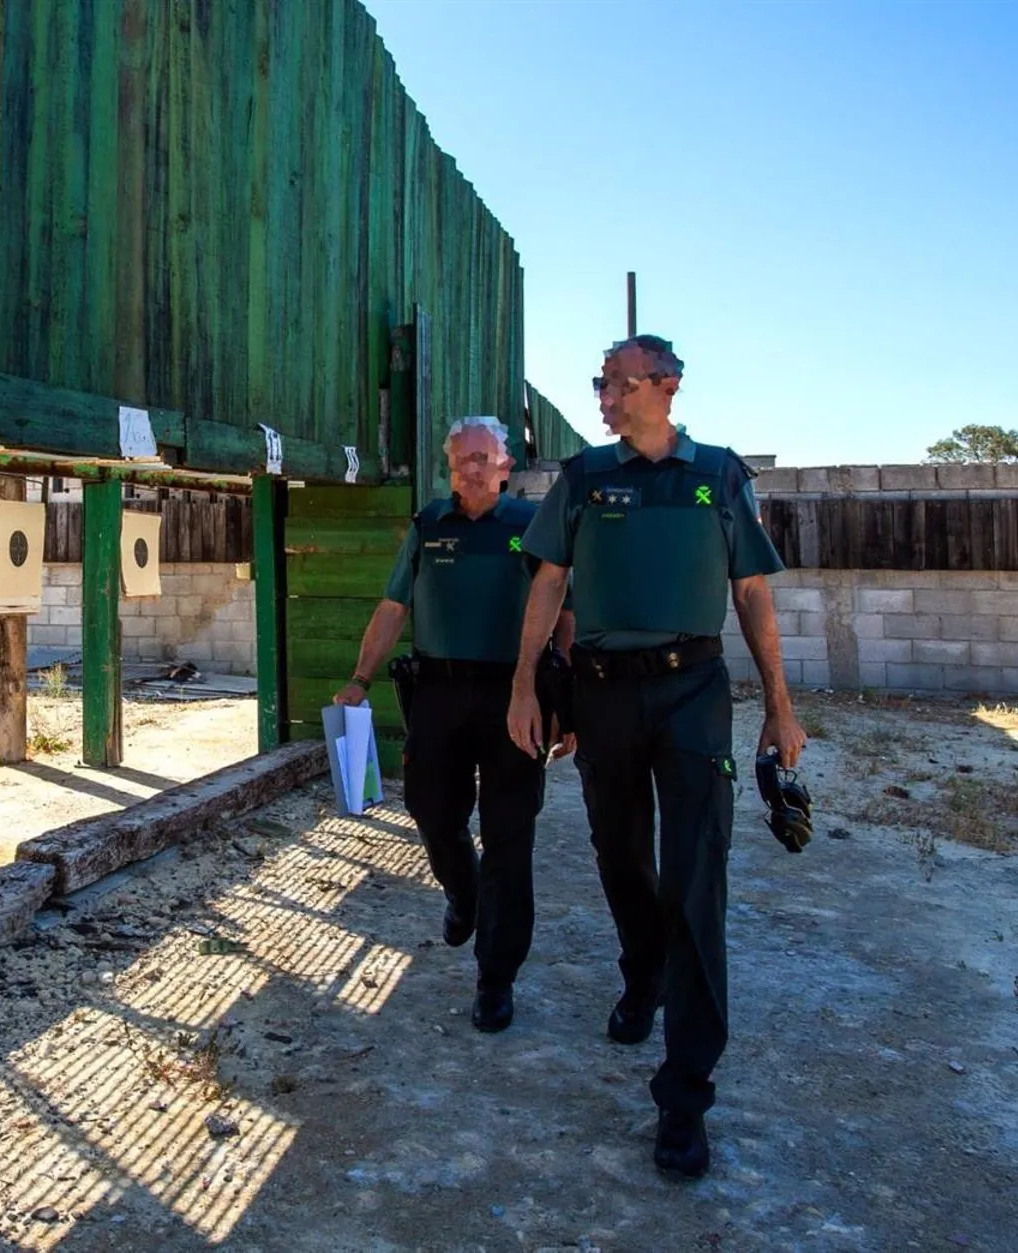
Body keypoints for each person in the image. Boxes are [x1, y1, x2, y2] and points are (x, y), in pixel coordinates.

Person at [505, 334, 806, 1180]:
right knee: (621, 854)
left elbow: (751, 591)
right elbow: (547, 581)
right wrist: (526, 686)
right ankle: (644, 970)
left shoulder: (718, 475)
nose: (603, 396)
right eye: (600, 383)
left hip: (692, 691)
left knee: (698, 876)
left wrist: (779, 706)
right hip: (603, 692)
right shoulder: (585, 477)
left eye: (614, 382)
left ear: (664, 386)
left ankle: (685, 1092)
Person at [335, 417, 574, 1034]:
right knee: (431, 811)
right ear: (449, 467)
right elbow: (394, 607)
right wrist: (360, 679)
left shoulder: (532, 525)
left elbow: (566, 615)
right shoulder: (428, 524)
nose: (470, 468)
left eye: (481, 457)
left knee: (509, 837)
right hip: (438, 691)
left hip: (513, 694)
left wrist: (564, 699)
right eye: (460, 458)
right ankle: (462, 893)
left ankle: (496, 979)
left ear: (506, 464)